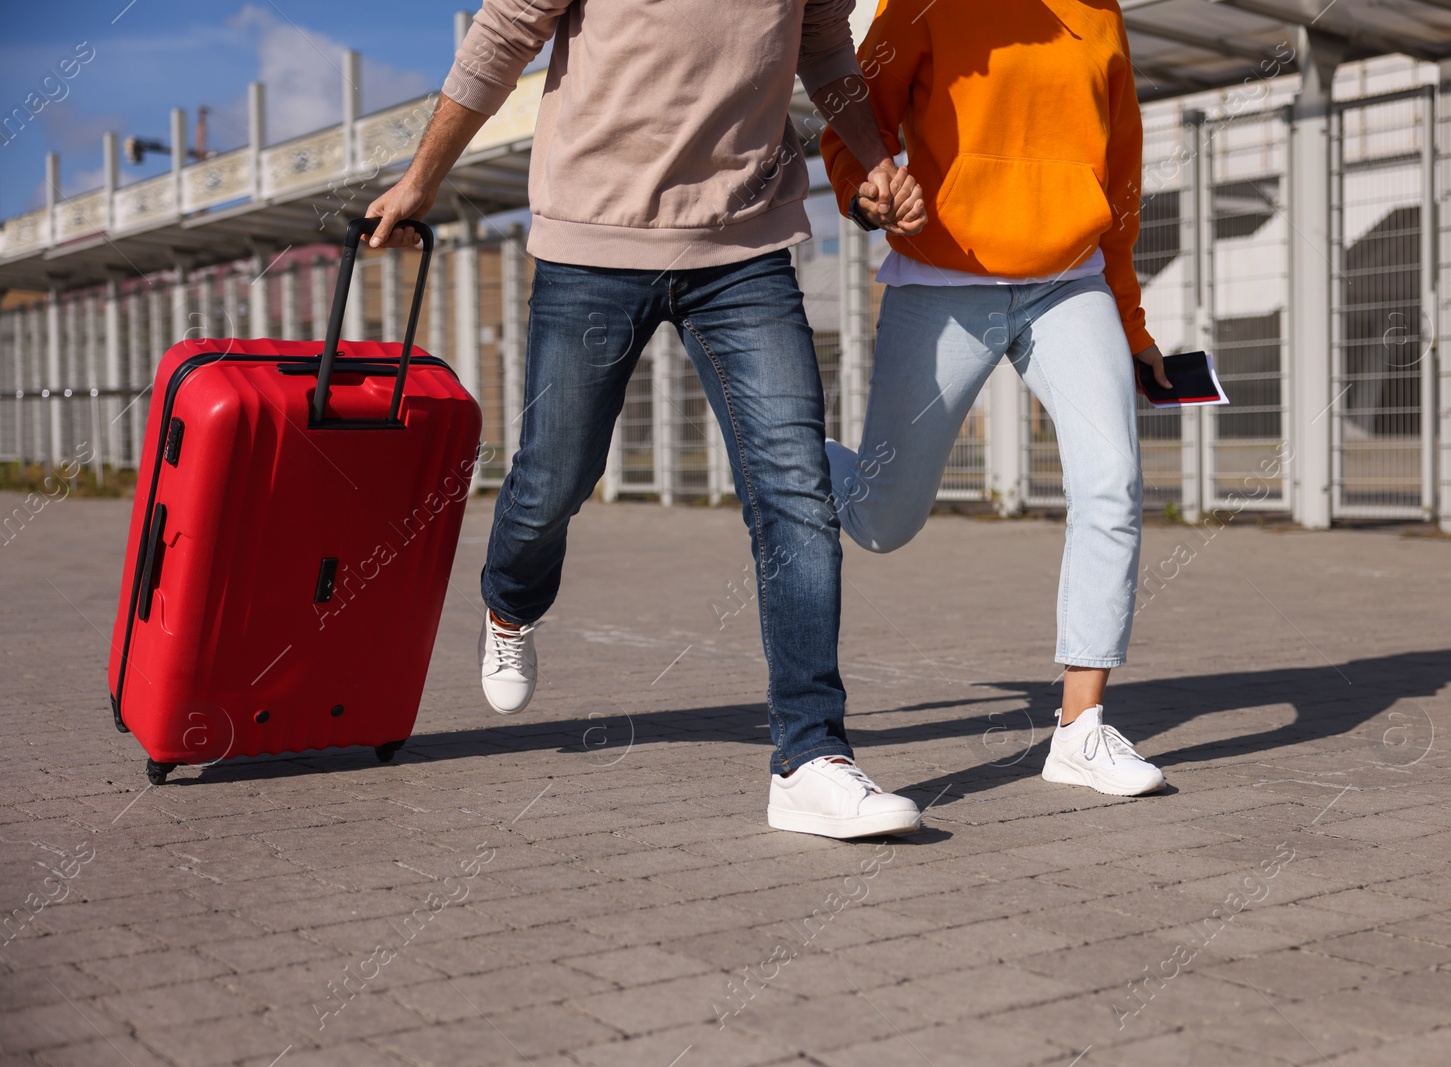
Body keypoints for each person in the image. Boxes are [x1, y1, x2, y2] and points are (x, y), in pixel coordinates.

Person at [367, 0, 929, 838]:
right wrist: (422, 181)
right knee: (556, 475)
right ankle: (510, 602)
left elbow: (820, 44)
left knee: (795, 491)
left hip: (743, 245)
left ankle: (810, 757)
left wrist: (880, 157)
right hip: (593, 240)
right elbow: (503, 34)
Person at [820, 0, 1169, 796]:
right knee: (881, 519)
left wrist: (1132, 322)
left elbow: (1120, 183)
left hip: (1069, 282)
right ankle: (786, 445)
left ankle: (1080, 730)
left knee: (1112, 480)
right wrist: (865, 195)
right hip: (942, 281)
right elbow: (849, 119)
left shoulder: (1101, 13)